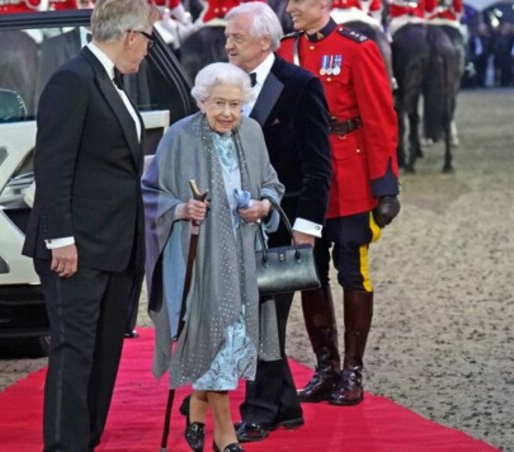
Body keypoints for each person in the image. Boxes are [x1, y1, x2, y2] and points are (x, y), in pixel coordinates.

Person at [21, 0, 154, 449]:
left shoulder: (110, 82)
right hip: (75, 250)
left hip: (114, 246)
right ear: (131, 36)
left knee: (103, 354)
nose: (148, 50)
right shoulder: (72, 80)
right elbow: (53, 165)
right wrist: (61, 239)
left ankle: (86, 440)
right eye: (149, 39)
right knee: (74, 354)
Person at [143, 62, 284, 452]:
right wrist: (182, 208)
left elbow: (272, 182)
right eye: (219, 103)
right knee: (213, 338)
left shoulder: (252, 133)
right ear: (201, 101)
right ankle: (225, 436)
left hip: (244, 256)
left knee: (236, 337)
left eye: (236, 105)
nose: (227, 113)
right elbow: (149, 194)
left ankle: (197, 411)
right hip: (200, 260)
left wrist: (264, 205)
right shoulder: (179, 137)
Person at [279, 0, 400, 406]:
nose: (290, 6)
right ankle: (326, 369)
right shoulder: (284, 49)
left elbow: (380, 117)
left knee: (352, 272)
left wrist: (386, 184)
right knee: (309, 274)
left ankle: (353, 370)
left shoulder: (356, 47)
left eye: (298, 0)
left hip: (348, 177)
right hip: (303, 181)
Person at [223, 2, 332, 442]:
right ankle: (285, 405)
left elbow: (319, 168)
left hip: (285, 225)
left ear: (265, 42)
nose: (227, 43)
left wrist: (307, 229)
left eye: (237, 37)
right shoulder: (223, 83)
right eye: (227, 36)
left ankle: (259, 410)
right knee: (255, 314)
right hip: (234, 225)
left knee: (262, 318)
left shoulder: (301, 86)